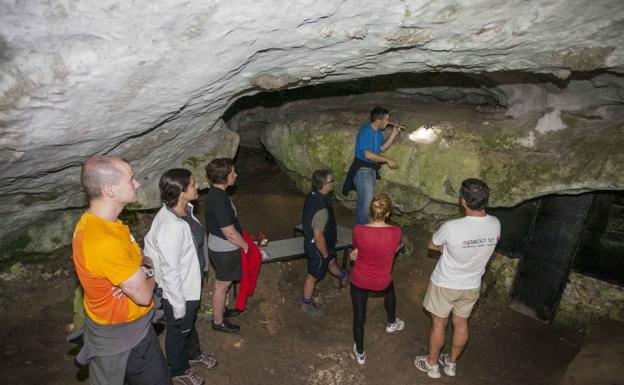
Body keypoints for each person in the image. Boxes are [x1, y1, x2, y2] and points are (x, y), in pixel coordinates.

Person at [72, 155, 171, 385]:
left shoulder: (104, 224)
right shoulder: (102, 240)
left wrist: (138, 272)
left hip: (127, 329)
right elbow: (144, 294)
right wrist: (148, 270)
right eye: (130, 179)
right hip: (128, 341)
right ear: (109, 190)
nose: (136, 184)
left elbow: (138, 264)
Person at [414, 178, 501, 379]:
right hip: (471, 285)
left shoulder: (452, 227)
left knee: (439, 324)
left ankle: (432, 364)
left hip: (446, 283)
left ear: (463, 201)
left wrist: (444, 247)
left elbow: (431, 244)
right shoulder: (496, 224)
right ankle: (451, 363)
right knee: (461, 323)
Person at [143, 169, 217, 385]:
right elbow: (170, 270)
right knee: (178, 330)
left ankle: (193, 354)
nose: (197, 187)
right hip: (178, 291)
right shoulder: (170, 227)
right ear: (181, 192)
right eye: (193, 184)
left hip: (189, 284)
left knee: (187, 324)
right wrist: (178, 305)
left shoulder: (184, 211)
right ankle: (178, 369)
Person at [349, 194, 404, 365]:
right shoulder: (396, 232)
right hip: (382, 280)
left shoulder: (358, 230)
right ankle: (391, 322)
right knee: (390, 289)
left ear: (370, 211)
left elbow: (357, 250)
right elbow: (393, 249)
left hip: (360, 279)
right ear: (387, 213)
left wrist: (354, 256)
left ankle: (360, 353)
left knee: (359, 317)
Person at [300, 169, 349, 317]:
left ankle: (344, 278)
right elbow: (318, 235)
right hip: (318, 248)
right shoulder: (321, 209)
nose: (333, 183)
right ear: (324, 185)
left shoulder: (315, 195)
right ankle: (305, 304)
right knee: (313, 275)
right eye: (331, 181)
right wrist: (325, 253)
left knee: (332, 261)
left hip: (323, 244)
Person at [204, 158, 245, 333]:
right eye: (233, 172)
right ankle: (218, 321)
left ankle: (220, 312)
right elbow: (229, 232)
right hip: (224, 249)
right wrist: (246, 246)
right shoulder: (219, 199)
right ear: (225, 176)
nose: (235, 175)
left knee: (223, 283)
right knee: (222, 285)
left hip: (220, 245)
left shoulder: (217, 193)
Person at [342, 106, 401, 225]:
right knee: (365, 207)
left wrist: (394, 133)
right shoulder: (365, 132)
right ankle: (361, 236)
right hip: (362, 170)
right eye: (386, 118)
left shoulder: (378, 133)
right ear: (378, 120)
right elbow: (368, 154)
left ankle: (363, 232)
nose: (389, 121)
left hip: (371, 170)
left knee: (367, 204)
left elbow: (381, 149)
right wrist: (388, 160)